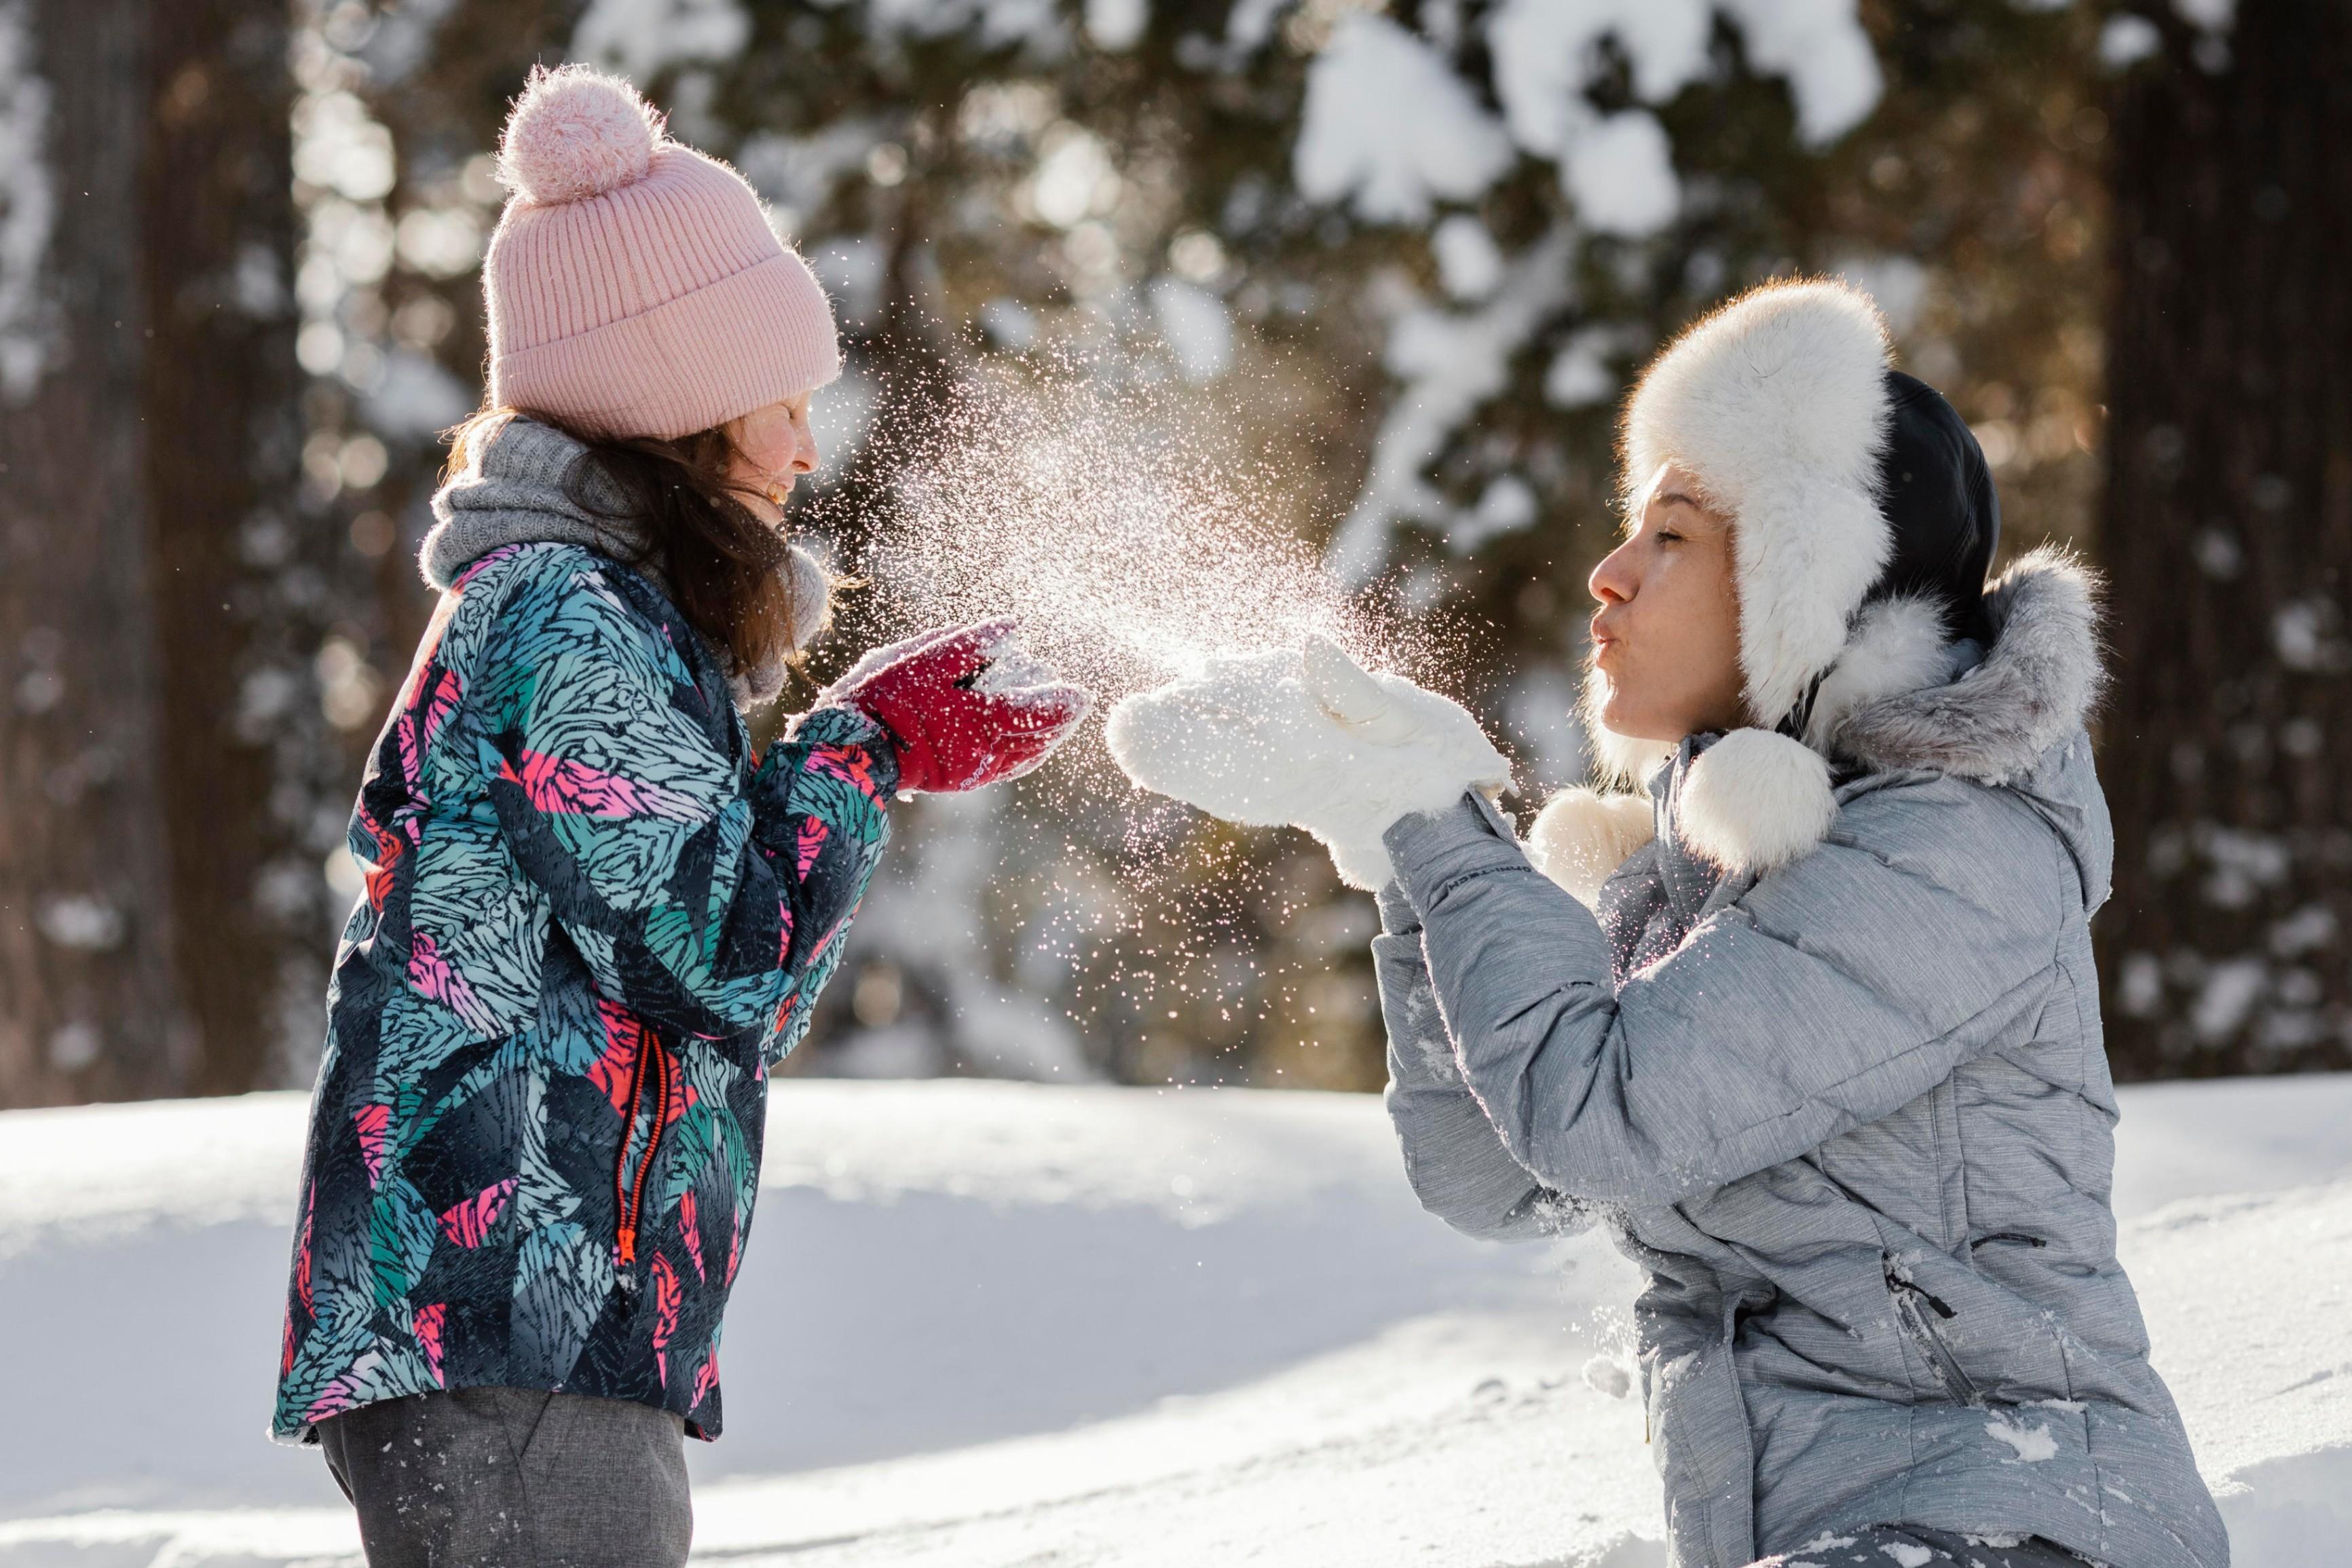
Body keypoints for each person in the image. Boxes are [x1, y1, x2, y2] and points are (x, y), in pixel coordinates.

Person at [1108, 280, 2227, 1568]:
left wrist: (1435, 823)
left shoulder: (1957, 853)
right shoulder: (1717, 861)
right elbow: (1496, 1178)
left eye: (1676, 535)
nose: (1610, 573)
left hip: (2020, 1521)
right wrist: (1401, 857)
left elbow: (1599, 1116)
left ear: (1813, 578)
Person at [269, 65, 1088, 1567]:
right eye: (782, 404)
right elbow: (725, 960)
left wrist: (858, 746)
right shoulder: (569, 615)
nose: (804, 450)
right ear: (684, 408)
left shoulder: (592, 611)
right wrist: (863, 745)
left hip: (523, 1326)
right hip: (505, 1313)